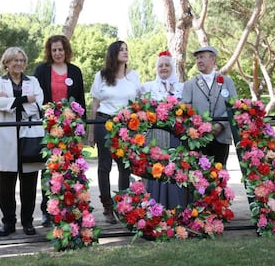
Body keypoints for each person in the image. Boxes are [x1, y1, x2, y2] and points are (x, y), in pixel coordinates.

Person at [0, 47, 44, 237]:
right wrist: (22, 99)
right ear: (6, 63)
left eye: (21, 60)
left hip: (28, 135)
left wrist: (11, 101)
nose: (18, 63)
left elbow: (37, 105)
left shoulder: (33, 81)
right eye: (14, 60)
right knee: (6, 183)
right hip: (6, 135)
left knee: (29, 182)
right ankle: (8, 222)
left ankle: (28, 222)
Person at [34, 34, 86, 227]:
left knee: (71, 168)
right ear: (50, 51)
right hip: (49, 127)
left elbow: (80, 99)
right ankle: (47, 209)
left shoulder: (75, 71)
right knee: (49, 169)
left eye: (60, 49)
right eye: (54, 50)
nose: (57, 53)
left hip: (70, 128)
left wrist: (82, 127)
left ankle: (70, 206)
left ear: (66, 51)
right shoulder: (41, 70)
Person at [88, 40, 141, 224]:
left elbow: (138, 103)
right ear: (113, 54)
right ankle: (107, 207)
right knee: (104, 166)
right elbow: (95, 104)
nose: (125, 52)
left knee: (125, 166)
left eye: (127, 49)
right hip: (104, 122)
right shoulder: (102, 75)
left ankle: (124, 206)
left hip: (126, 125)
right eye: (121, 50)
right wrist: (91, 132)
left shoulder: (134, 76)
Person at [140, 50, 187, 209]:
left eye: (167, 65)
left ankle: (176, 207)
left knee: (175, 168)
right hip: (156, 136)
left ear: (173, 68)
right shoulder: (148, 87)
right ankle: (155, 208)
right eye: (161, 65)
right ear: (156, 68)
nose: (164, 68)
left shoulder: (182, 87)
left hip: (176, 136)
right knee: (157, 168)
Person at [181, 46, 237, 167]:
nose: (198, 61)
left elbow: (234, 106)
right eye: (197, 58)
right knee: (199, 176)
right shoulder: (189, 84)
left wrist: (220, 125)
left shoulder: (227, 82)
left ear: (212, 59)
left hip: (221, 137)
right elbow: (185, 110)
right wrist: (199, 129)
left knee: (220, 175)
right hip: (198, 139)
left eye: (202, 57)